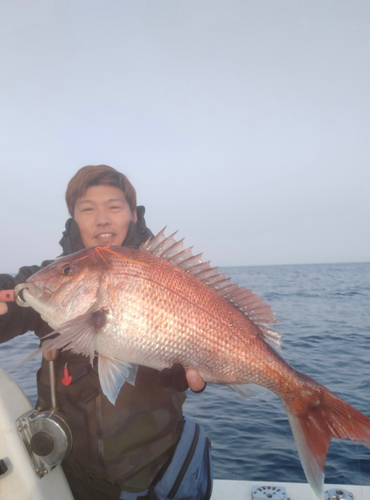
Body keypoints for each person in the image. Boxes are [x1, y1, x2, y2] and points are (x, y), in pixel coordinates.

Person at [0, 165, 213, 500]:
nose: (102, 219)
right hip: (65, 475)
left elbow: (213, 329)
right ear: (73, 220)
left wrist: (204, 365)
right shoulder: (55, 278)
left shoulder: (165, 272)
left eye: (114, 207)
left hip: (149, 472)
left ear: (133, 214)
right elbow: (14, 293)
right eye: (87, 209)